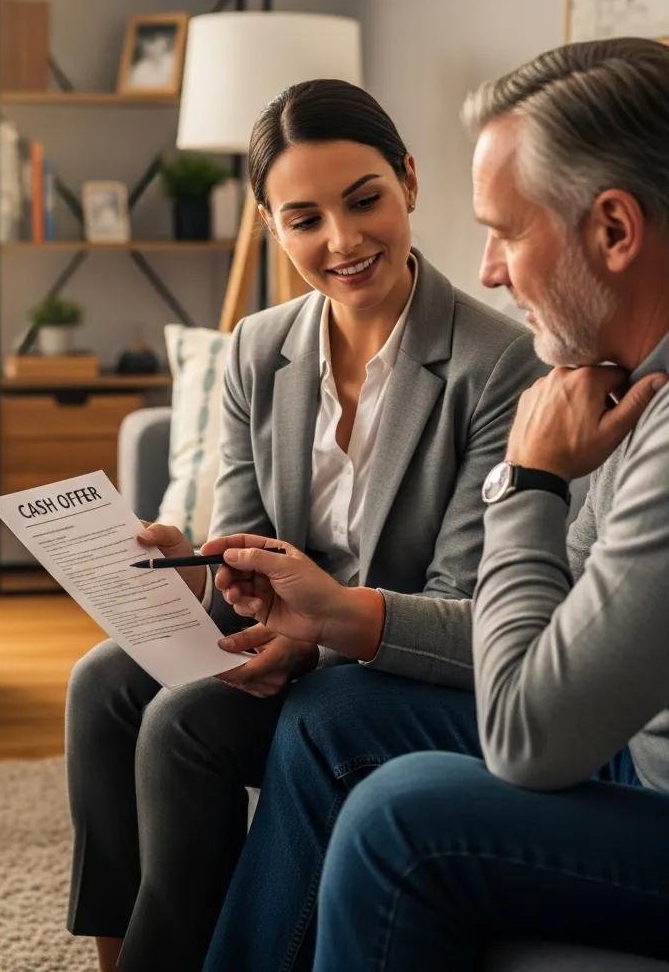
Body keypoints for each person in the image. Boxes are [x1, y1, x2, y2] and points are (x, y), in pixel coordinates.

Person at [203, 38, 669, 971]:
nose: (488, 269)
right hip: (616, 730)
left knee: (397, 815)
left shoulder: (579, 399)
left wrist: (530, 481)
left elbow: (529, 734)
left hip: (633, 764)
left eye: (507, 232)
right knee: (328, 718)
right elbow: (563, 622)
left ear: (614, 230)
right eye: (304, 217)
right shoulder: (618, 386)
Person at [64, 79, 543, 972]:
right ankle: (117, 955)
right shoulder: (259, 346)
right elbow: (244, 545)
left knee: (184, 722)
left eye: (363, 201)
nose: (343, 241)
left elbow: (463, 600)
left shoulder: (498, 364)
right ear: (270, 226)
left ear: (408, 180)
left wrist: (311, 642)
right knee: (103, 684)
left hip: (394, 662)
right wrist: (196, 569)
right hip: (290, 635)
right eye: (305, 219)